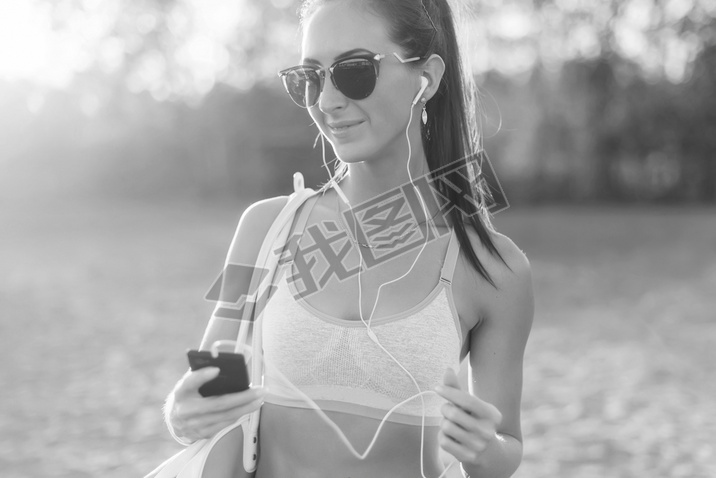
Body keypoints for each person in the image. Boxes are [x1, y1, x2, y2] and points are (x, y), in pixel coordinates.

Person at [164, 0, 534, 477]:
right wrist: (181, 411)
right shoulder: (263, 229)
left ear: (428, 78)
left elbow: (507, 449)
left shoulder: (496, 268)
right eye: (310, 77)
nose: (327, 100)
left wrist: (483, 449)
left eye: (354, 71)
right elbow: (208, 390)